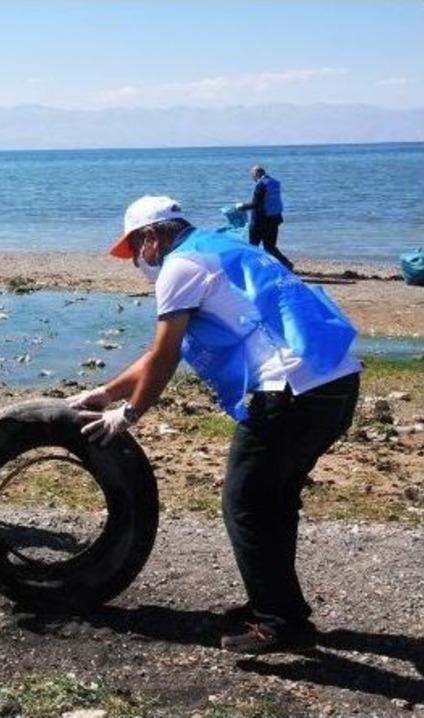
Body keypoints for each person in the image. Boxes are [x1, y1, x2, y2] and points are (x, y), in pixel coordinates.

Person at [69, 195, 361, 654]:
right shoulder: (218, 247)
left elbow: (164, 356)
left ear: (152, 235)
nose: (135, 263)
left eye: (134, 250)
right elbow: (158, 354)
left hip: (291, 391)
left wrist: (129, 414)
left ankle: (280, 622)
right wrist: (107, 393)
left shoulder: (180, 268)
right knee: (272, 499)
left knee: (244, 502)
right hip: (334, 381)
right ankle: (277, 605)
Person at [237, 165, 292, 271]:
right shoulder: (274, 182)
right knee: (270, 246)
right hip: (275, 218)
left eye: (252, 176)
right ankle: (287, 264)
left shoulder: (261, 185)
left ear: (256, 174)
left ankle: (252, 268)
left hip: (260, 221)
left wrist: (241, 207)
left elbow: (255, 204)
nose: (252, 178)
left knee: (253, 246)